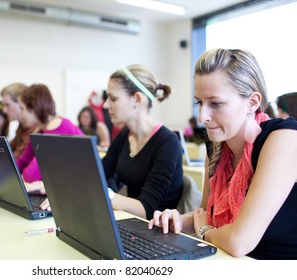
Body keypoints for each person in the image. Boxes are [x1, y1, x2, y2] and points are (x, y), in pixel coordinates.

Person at [149, 48, 297, 259]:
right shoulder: (217, 144)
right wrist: (178, 221)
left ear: (252, 102)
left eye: (216, 103)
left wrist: (203, 232)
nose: (202, 116)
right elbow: (206, 216)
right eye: (199, 102)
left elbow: (238, 241)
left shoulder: (284, 138)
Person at [101, 64, 184, 220]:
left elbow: (147, 209)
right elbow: (99, 173)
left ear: (137, 99)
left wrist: (105, 194)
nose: (106, 105)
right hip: (129, 222)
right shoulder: (124, 136)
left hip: (157, 231)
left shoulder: (167, 143)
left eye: (113, 98)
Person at [15, 83, 84, 187]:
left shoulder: (59, 129)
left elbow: (30, 176)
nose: (20, 114)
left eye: (22, 108)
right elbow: (21, 162)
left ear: (33, 107)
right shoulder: (41, 130)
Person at [0, 82, 37, 158]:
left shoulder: (35, 129)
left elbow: (18, 159)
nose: (4, 110)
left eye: (7, 105)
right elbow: (8, 149)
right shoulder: (21, 127)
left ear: (21, 103)